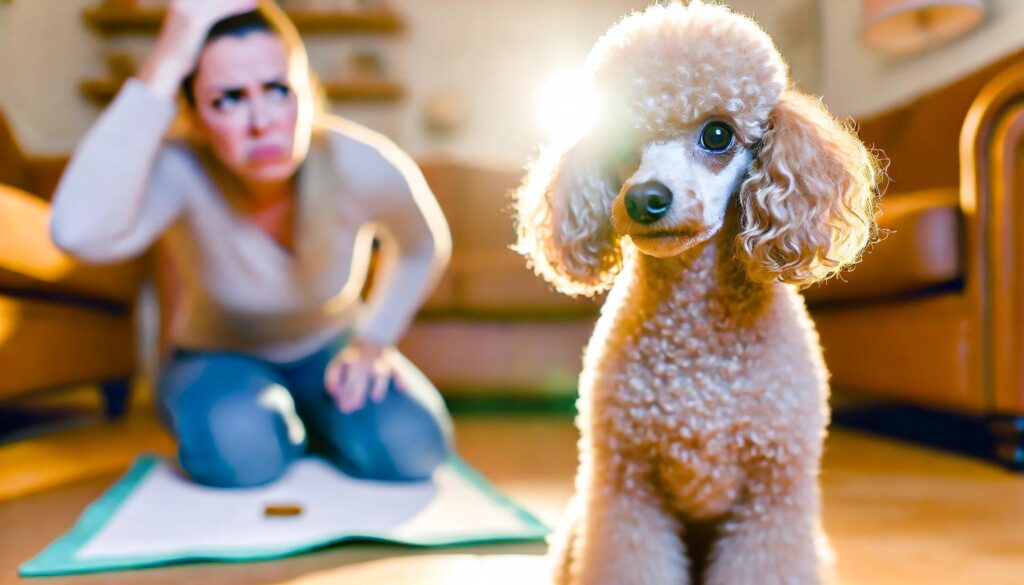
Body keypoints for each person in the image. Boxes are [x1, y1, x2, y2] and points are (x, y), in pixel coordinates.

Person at [49, 0, 453, 488]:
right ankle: (272, 426)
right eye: (228, 100)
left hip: (330, 349)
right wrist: (166, 62)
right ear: (195, 116)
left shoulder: (360, 161)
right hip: (215, 359)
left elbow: (421, 245)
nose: (262, 122)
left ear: (308, 92)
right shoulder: (179, 169)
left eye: (279, 90)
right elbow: (76, 232)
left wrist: (373, 342)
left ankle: (301, 421)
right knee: (242, 452)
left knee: (413, 447)